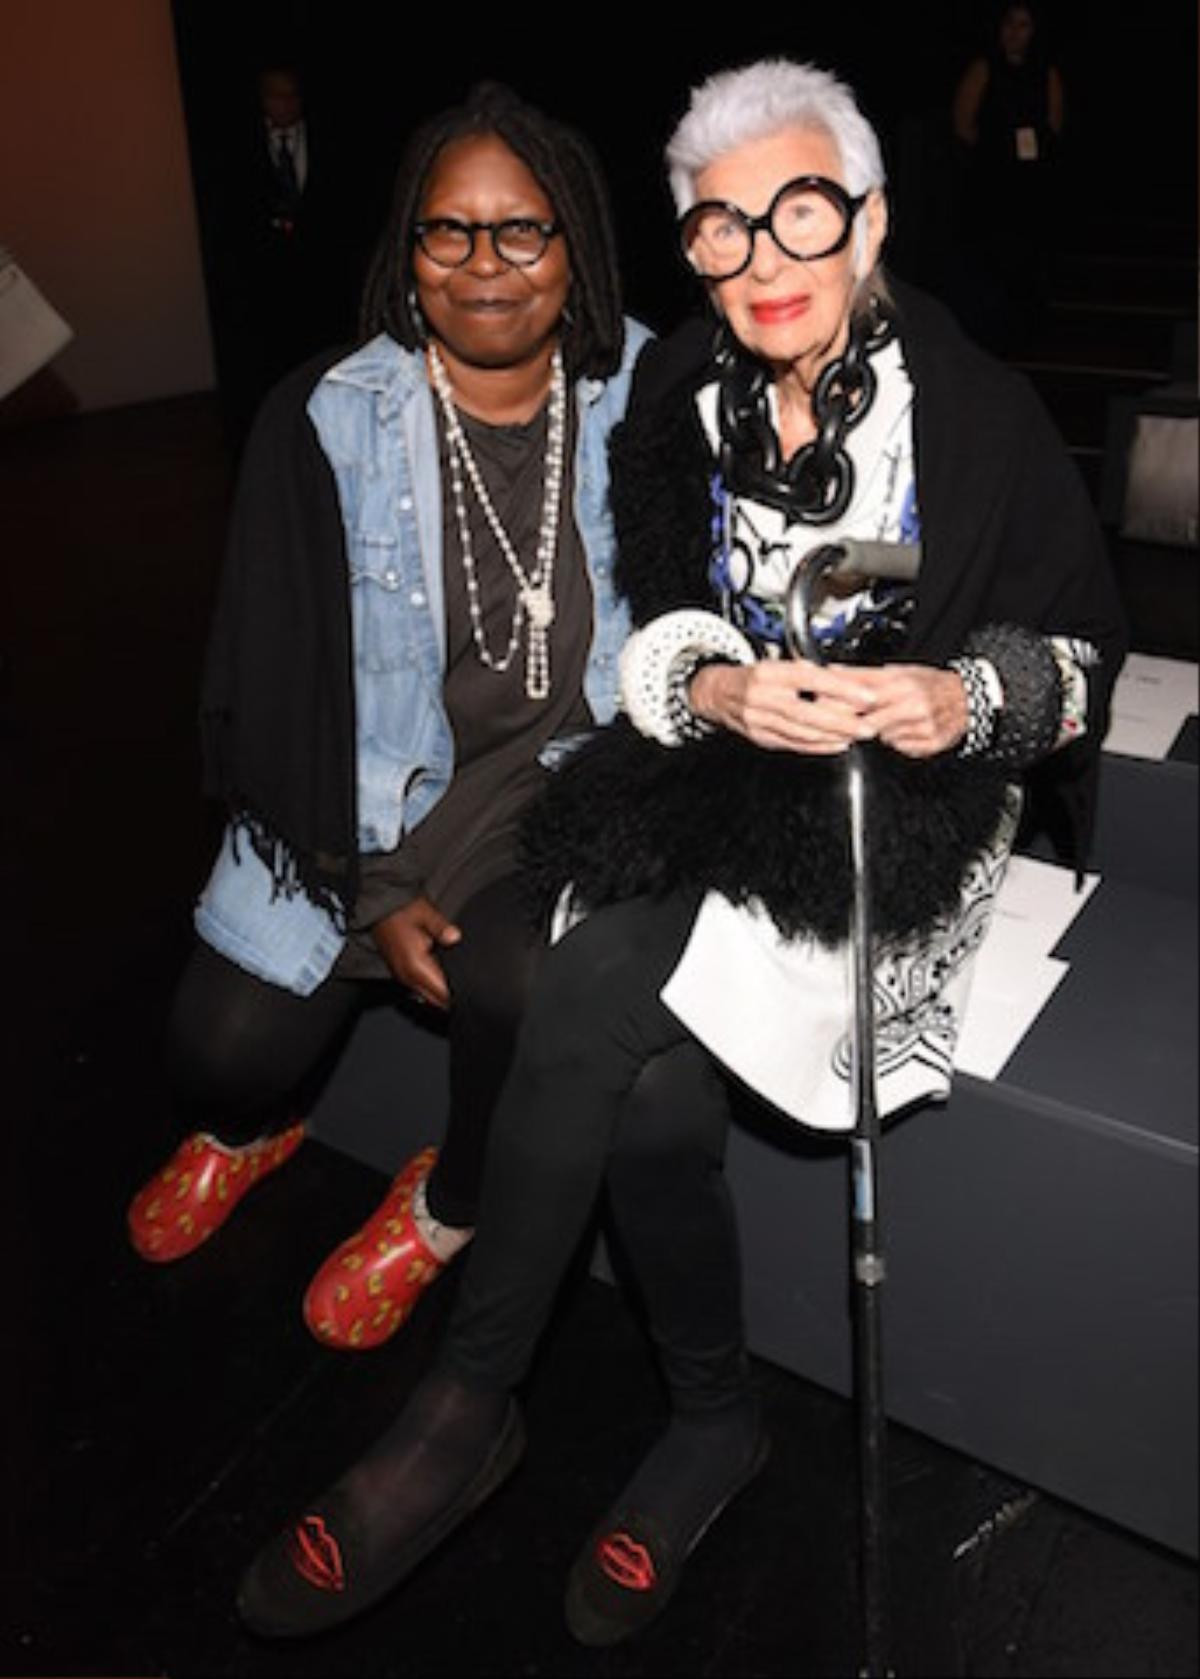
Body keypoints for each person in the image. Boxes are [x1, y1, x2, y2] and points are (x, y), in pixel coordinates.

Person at [235, 57, 1127, 1649]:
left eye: (799, 212)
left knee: (592, 988)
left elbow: (1077, 666)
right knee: (639, 1076)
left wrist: (953, 691)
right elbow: (657, 633)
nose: (763, 258)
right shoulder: (679, 396)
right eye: (719, 228)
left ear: (871, 217)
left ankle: (471, 1399)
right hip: (717, 764)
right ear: (690, 249)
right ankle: (705, 1413)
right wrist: (712, 681)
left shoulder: (974, 409)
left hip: (897, 798)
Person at [125, 81, 651, 1354]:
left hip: (555, 778)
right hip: (354, 790)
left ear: (575, 244)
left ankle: (451, 1200)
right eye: (448, 232)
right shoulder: (324, 417)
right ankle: (255, 1133)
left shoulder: (648, 393)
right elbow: (270, 683)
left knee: (524, 981)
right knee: (221, 1045)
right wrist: (369, 882)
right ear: (405, 258)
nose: (486, 265)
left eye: (523, 230)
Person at [950, 2, 1066, 348]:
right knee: (991, 255)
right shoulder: (985, 68)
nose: (1015, 33)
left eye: (1024, 25)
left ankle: (1028, 329)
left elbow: (1054, 124)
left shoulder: (1046, 72)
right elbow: (962, 122)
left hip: (1030, 180)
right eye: (1009, 24)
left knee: (1028, 256)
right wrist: (994, 152)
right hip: (991, 177)